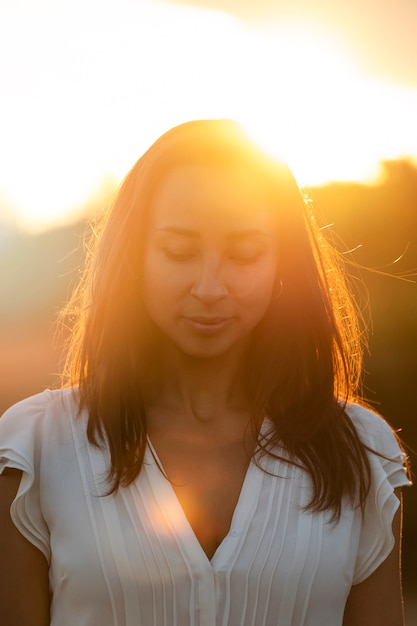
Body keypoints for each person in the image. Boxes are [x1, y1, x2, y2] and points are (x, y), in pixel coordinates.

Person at [0, 119, 411, 626]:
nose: (210, 286)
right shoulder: (36, 448)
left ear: (281, 263)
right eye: (179, 251)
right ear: (136, 258)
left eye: (243, 253)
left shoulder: (360, 453)